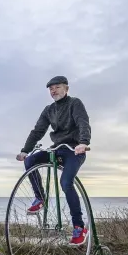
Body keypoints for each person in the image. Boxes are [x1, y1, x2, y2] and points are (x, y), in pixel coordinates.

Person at [16, 76, 91, 246]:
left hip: (74, 150)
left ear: (66, 88)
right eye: (51, 89)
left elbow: (83, 122)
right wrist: (25, 150)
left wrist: (83, 142)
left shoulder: (75, 103)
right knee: (30, 162)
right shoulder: (49, 110)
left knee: (66, 182)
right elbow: (38, 131)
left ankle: (79, 227)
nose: (53, 91)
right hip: (58, 149)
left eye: (57, 87)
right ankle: (40, 197)